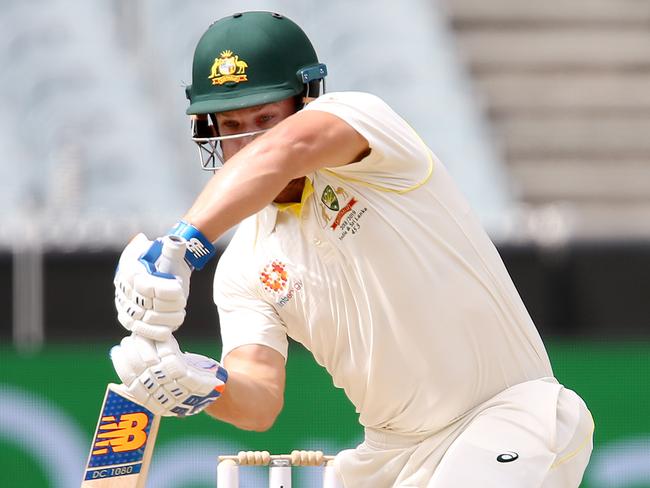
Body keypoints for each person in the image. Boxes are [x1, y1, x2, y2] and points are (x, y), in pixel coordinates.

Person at [110, 11, 594, 487]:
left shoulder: (368, 134)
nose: (251, 139)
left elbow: (285, 152)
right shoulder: (244, 267)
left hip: (510, 415)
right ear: (211, 131)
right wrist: (197, 384)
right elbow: (259, 399)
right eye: (232, 126)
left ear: (305, 103)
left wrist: (180, 245)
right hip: (387, 458)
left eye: (266, 117)